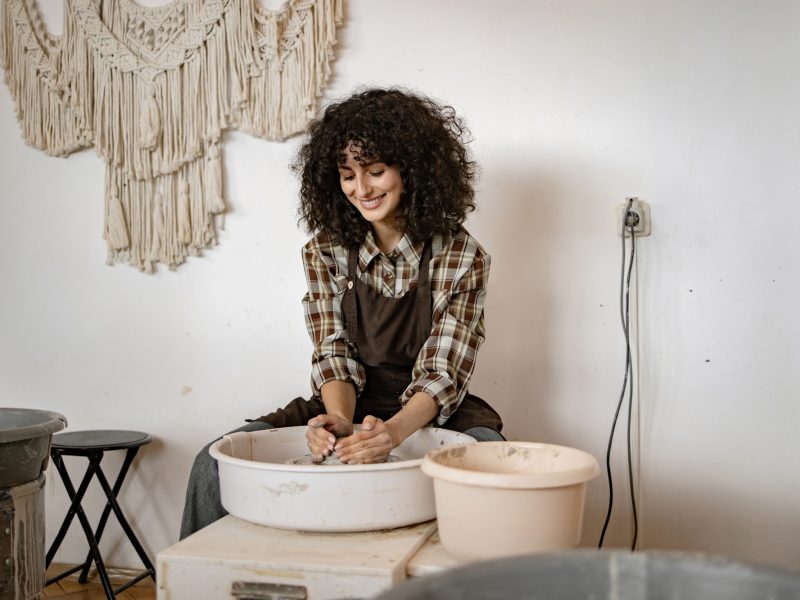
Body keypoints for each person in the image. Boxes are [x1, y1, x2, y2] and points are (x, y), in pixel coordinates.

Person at [179, 87, 503, 539]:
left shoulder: (461, 254)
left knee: (494, 466)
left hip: (428, 408)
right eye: (347, 175)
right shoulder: (325, 251)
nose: (361, 189)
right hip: (346, 399)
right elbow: (333, 353)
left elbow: (442, 371)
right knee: (211, 462)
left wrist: (391, 433)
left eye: (375, 171)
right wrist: (340, 421)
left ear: (411, 169)